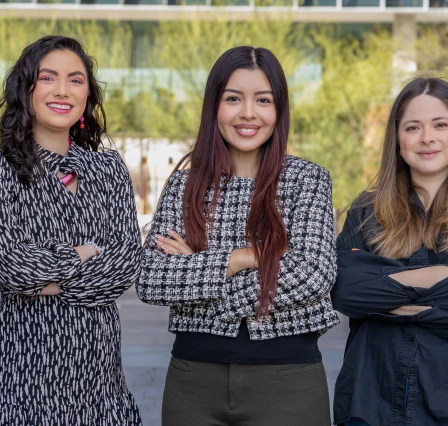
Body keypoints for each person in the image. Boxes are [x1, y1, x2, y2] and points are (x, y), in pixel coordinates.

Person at [137, 46, 339, 426]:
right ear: (215, 106)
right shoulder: (185, 185)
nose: (248, 113)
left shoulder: (307, 180)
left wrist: (200, 271)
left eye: (263, 100)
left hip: (288, 380)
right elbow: (151, 281)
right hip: (192, 380)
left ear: (279, 109)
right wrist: (242, 258)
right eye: (233, 99)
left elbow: (313, 274)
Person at [0, 35, 142, 425]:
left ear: (88, 95)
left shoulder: (109, 168)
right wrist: (83, 254)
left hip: (99, 382)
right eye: (48, 78)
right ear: (25, 88)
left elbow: (126, 265)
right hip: (22, 376)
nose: (63, 90)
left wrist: (42, 273)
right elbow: (11, 270)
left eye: (76, 80)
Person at [332, 77, 448, 426]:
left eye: (441, 125)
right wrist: (437, 279)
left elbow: (367, 292)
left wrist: (385, 298)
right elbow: (346, 291)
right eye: (413, 127)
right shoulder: (366, 211)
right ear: (397, 140)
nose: (427, 137)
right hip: (370, 405)